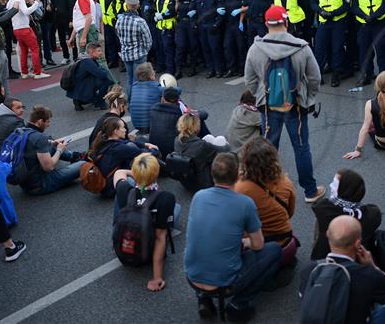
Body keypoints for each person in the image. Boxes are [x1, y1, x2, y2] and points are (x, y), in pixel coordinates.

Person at [184, 152, 282, 322]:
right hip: (224, 283)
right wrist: (245, 241)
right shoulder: (244, 203)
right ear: (238, 176)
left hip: (192, 276)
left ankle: (203, 298)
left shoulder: (198, 197)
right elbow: (258, 245)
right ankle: (240, 303)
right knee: (273, 250)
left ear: (212, 174)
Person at [244, 5, 325, 203]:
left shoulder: (255, 48)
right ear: (286, 22)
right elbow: (315, 77)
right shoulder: (301, 47)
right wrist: (309, 97)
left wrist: (261, 96)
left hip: (267, 106)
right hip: (295, 104)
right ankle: (310, 191)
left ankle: (267, 189)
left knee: (268, 149)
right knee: (301, 147)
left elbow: (250, 80)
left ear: (266, 24)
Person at [300, 216, 385, 324]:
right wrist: (374, 268)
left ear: (327, 235)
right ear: (358, 244)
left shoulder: (310, 269)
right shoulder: (368, 275)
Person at [111, 153, 178, 292]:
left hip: (126, 243)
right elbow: (160, 238)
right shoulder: (166, 198)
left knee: (120, 196)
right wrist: (156, 277)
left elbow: (119, 172)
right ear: (157, 173)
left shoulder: (125, 190)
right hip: (147, 251)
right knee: (177, 208)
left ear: (135, 173)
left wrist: (136, 174)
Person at [235, 137, 296, 254]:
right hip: (286, 245)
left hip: (259, 248)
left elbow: (237, 222)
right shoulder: (286, 182)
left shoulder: (240, 188)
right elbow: (290, 213)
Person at [310, 169, 381, 261]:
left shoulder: (324, 210)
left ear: (344, 191)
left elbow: (318, 206)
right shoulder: (372, 214)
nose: (330, 185)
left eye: (335, 184)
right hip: (358, 259)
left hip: (324, 257)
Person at [19, 105, 84, 195]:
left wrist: (52, 143)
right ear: (40, 121)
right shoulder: (39, 138)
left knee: (51, 145)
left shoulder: (22, 131)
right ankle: (82, 159)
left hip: (26, 184)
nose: (48, 125)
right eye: (48, 122)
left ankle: (76, 156)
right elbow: (49, 167)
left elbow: (34, 146)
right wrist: (59, 150)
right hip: (41, 184)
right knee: (85, 164)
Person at [89, 116, 160, 198]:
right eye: (123, 127)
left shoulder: (104, 140)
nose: (125, 129)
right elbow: (144, 155)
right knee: (142, 167)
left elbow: (126, 141)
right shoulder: (119, 148)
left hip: (104, 180)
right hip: (111, 186)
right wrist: (155, 150)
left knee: (131, 146)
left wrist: (145, 144)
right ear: (116, 131)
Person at [173, 112, 230, 192]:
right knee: (221, 140)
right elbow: (224, 149)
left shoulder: (177, 140)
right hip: (202, 184)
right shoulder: (200, 146)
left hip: (186, 180)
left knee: (208, 137)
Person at [7, 0, 49, 79]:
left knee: (24, 51)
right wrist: (35, 4)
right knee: (35, 49)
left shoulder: (10, 1)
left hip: (16, 29)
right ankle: (38, 73)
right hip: (24, 28)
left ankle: (24, 72)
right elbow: (26, 11)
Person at [115, 0, 153, 92]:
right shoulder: (140, 21)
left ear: (126, 6)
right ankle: (139, 100)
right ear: (137, 6)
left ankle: (130, 100)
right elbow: (148, 40)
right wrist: (145, 50)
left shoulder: (120, 20)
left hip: (126, 54)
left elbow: (118, 35)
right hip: (139, 54)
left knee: (130, 79)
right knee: (139, 80)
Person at [65, 42, 116, 111]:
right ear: (92, 52)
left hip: (78, 88)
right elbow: (102, 75)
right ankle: (100, 102)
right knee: (105, 80)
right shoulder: (88, 62)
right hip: (81, 89)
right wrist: (104, 70)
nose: (101, 53)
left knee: (101, 79)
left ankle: (78, 100)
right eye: (98, 51)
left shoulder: (84, 58)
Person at [129, 62, 163, 134]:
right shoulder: (156, 86)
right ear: (151, 76)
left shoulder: (134, 86)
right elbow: (176, 91)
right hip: (151, 125)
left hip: (136, 125)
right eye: (153, 70)